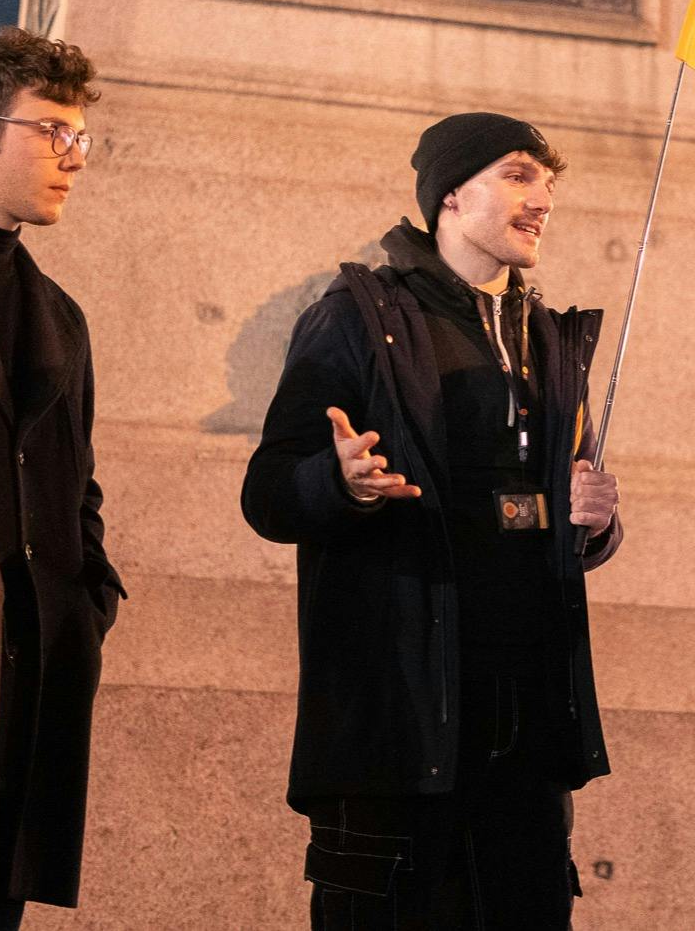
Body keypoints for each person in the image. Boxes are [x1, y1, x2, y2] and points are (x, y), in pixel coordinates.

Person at [242, 111, 623, 930]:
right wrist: (339, 482)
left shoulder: (553, 341)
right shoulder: (360, 315)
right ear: (450, 194)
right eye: (520, 174)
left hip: (526, 745)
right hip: (398, 738)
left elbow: (560, 515)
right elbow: (268, 491)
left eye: (549, 182)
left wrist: (593, 520)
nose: (543, 198)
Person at [0, 30, 123, 931]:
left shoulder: (63, 317)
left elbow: (76, 485)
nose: (72, 159)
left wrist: (89, 597)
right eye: (52, 132)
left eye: (80, 138)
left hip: (33, 691)